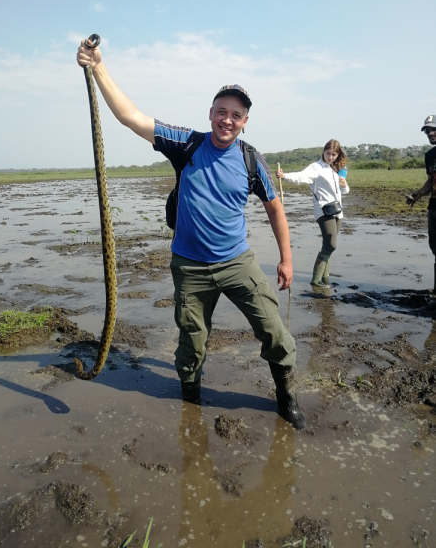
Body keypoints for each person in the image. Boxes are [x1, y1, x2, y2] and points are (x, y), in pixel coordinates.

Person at [76, 39, 305, 429]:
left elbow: (274, 208)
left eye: (236, 114)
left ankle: (286, 399)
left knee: (275, 333)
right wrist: (98, 68)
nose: (227, 120)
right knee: (191, 345)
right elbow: (130, 116)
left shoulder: (252, 159)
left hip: (238, 263)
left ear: (245, 120)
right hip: (190, 268)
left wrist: (285, 258)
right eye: (221, 112)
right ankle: (191, 401)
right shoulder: (187, 143)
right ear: (211, 113)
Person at [276, 140, 349, 288]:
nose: (330, 157)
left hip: (337, 211)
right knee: (331, 244)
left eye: (334, 154)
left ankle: (324, 276)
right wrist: (284, 176)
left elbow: (344, 192)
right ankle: (316, 280)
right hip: (323, 210)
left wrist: (345, 185)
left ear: (338, 154)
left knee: (327, 245)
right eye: (328, 153)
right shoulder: (316, 168)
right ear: (323, 152)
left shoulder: (337, 169)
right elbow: (301, 177)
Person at [406, 115, 436, 293]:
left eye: (433, 129)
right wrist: (418, 194)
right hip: (433, 206)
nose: (430, 133)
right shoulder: (430, 155)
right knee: (435, 248)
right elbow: (430, 181)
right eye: (427, 131)